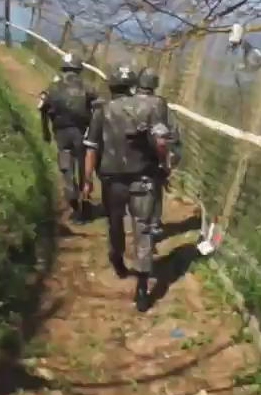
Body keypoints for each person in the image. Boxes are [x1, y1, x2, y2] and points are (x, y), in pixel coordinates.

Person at [83, 64, 171, 312]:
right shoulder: (150, 107)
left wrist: (87, 179)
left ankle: (117, 258)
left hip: (112, 180)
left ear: (110, 86)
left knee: (115, 221)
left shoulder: (102, 110)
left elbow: (91, 146)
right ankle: (142, 289)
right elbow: (162, 142)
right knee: (142, 228)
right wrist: (164, 164)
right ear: (133, 86)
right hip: (143, 177)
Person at [38, 53, 98, 222]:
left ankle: (71, 196)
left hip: (61, 132)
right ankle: (85, 203)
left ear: (63, 68)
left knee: (66, 166)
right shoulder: (88, 87)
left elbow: (42, 108)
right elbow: (98, 108)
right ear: (79, 69)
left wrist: (45, 131)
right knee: (83, 168)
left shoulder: (52, 87)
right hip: (82, 132)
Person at [135, 68, 180, 237]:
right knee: (156, 186)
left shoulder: (128, 102)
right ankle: (154, 223)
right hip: (155, 153)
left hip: (132, 154)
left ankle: (138, 222)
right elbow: (173, 132)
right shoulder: (161, 104)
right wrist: (170, 158)